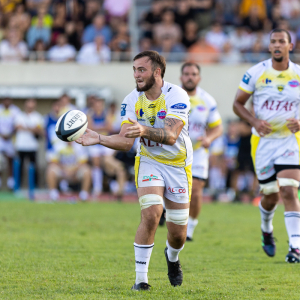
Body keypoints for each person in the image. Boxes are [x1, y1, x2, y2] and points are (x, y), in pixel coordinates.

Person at [76, 50, 192, 290]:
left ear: (157, 72)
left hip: (178, 164)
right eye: (134, 70)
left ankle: (172, 258)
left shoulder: (176, 95)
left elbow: (171, 136)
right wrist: (98, 138)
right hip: (149, 161)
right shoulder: (130, 100)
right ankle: (141, 281)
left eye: (142, 70)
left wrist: (143, 131)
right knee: (151, 214)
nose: (137, 75)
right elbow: (126, 141)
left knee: (179, 234)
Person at [233, 29, 300, 263]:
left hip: (289, 141)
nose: (277, 45)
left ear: (290, 46)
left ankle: (295, 247)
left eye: (282, 41)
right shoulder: (256, 72)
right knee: (270, 195)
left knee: (290, 189)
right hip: (262, 142)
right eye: (273, 42)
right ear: (270, 47)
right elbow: (237, 104)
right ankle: (266, 229)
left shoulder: (299, 74)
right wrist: (254, 121)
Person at [180, 62, 223, 241]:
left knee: (196, 191)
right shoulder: (171, 96)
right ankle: (166, 213)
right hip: (173, 150)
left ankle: (189, 230)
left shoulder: (207, 100)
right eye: (187, 74)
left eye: (194, 74)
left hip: (197, 152)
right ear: (181, 77)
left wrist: (209, 139)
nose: (190, 77)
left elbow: (218, 127)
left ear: (199, 78)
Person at [86, 98, 126, 197]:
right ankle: (97, 187)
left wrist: (96, 128)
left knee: (108, 162)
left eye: (100, 105)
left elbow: (109, 128)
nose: (98, 107)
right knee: (96, 163)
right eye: (96, 105)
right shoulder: (90, 114)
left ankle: (112, 184)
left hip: (105, 141)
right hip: (95, 143)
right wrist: (102, 127)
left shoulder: (106, 114)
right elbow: (90, 128)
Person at [15, 98, 44, 187]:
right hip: (21, 145)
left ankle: (35, 185)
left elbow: (39, 130)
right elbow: (17, 127)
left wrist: (25, 128)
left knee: (34, 167)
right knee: (19, 166)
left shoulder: (38, 117)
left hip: (32, 146)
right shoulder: (19, 116)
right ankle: (18, 185)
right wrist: (32, 128)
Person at [0, 97, 20, 190]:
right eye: (5, 100)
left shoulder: (15, 111)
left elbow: (17, 125)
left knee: (10, 160)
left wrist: (10, 134)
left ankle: (10, 182)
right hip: (1, 139)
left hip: (11, 139)